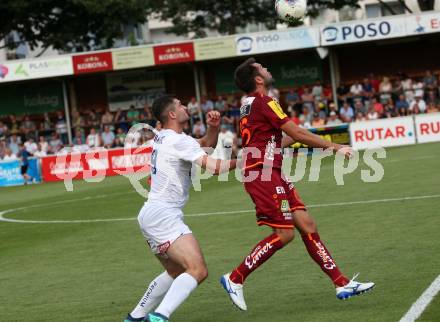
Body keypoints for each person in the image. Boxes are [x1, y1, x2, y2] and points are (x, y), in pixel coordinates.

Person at [220, 58, 374, 312]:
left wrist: (301, 135)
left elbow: (282, 139)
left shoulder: (250, 104)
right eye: (262, 68)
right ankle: (235, 277)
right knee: (285, 233)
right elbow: (297, 134)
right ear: (258, 79)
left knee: (307, 224)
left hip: (271, 170)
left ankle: (341, 283)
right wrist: (335, 147)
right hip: (262, 173)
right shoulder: (264, 102)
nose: (267, 69)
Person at [124, 96, 237, 322]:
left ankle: (135, 318)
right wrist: (248, 161)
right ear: (173, 114)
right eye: (181, 105)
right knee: (198, 270)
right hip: (164, 215)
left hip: (151, 214)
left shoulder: (166, 136)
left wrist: (213, 129)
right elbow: (215, 167)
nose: (186, 106)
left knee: (176, 272)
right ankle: (159, 317)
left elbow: (205, 144)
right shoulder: (177, 140)